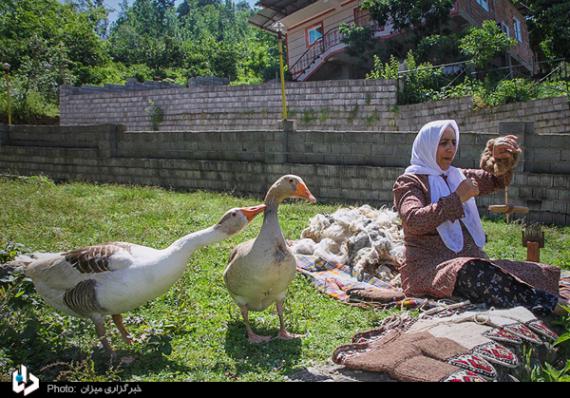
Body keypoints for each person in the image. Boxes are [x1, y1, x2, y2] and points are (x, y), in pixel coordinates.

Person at [392, 119, 567, 316]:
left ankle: (543, 299)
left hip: (467, 260)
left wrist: (499, 157)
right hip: (429, 269)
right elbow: (413, 220)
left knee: (530, 271)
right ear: (427, 145)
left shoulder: (456, 175)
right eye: (443, 143)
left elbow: (495, 180)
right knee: (475, 272)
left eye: (453, 142)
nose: (450, 149)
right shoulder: (410, 182)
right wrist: (457, 198)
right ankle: (548, 306)